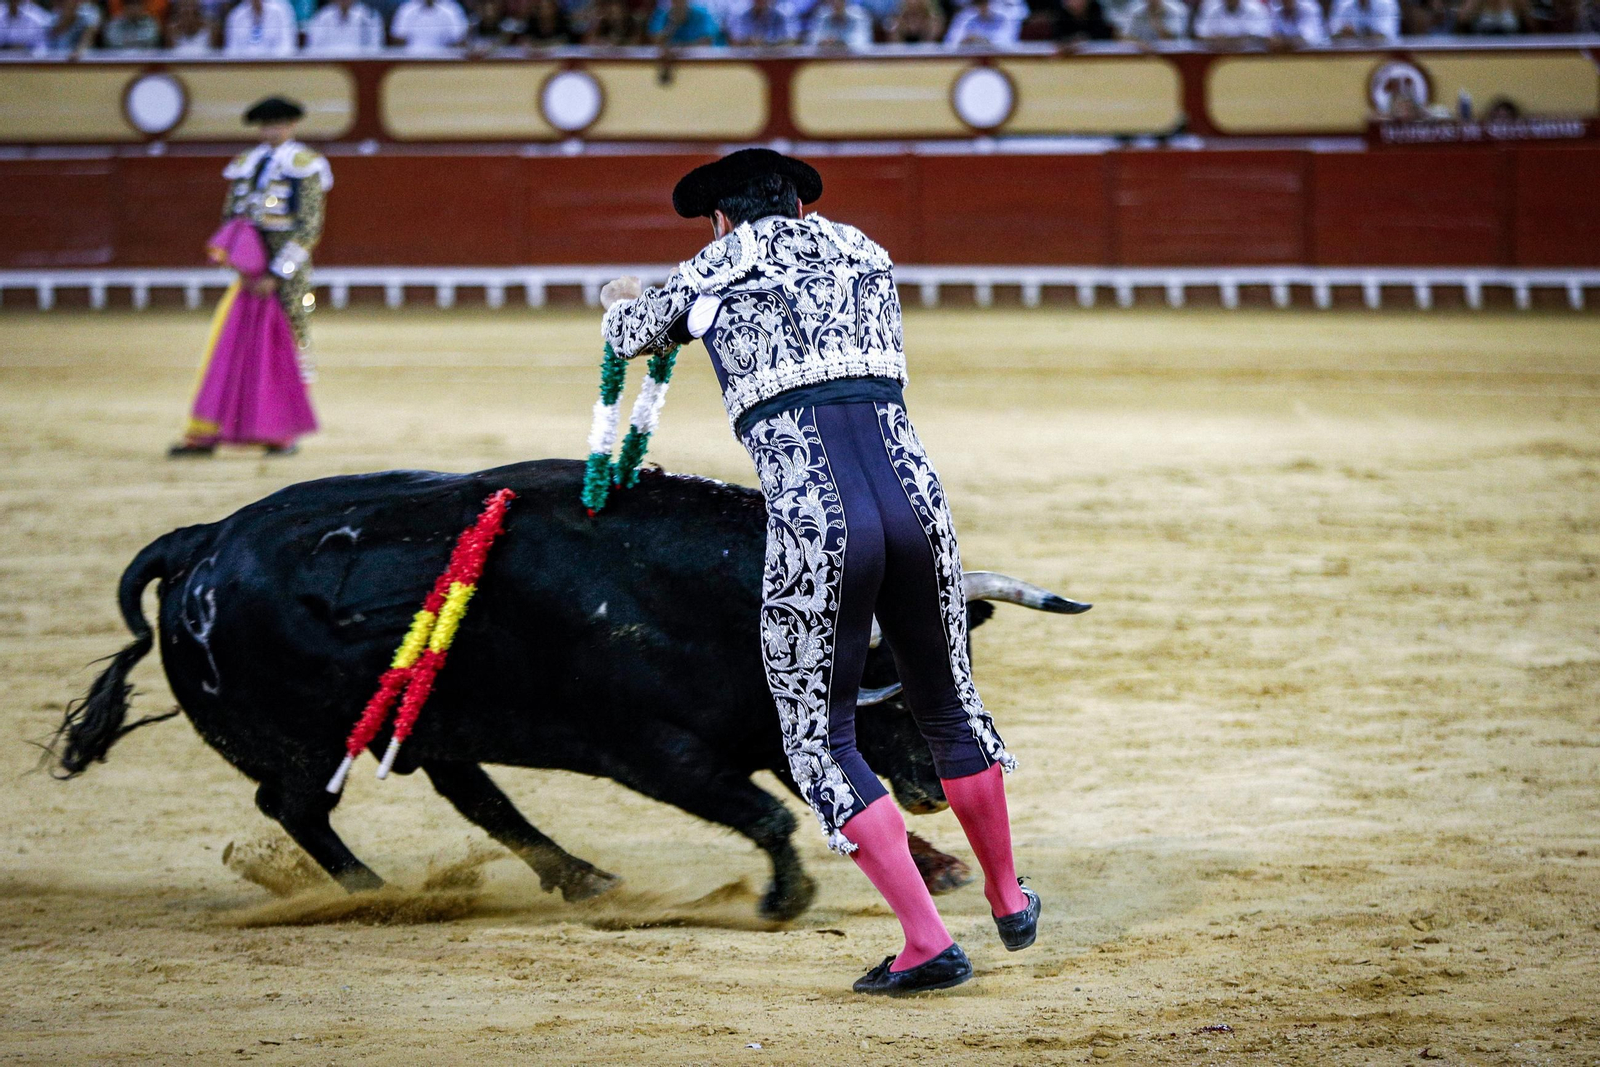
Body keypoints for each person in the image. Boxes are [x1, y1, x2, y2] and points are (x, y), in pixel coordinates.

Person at [598, 150, 1041, 996]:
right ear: (799, 206)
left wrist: (625, 295)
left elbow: (628, 337)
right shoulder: (864, 250)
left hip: (817, 523)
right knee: (948, 704)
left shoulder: (718, 262)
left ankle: (925, 942)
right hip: (919, 506)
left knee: (818, 736)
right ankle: (1009, 894)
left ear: (722, 218)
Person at [171, 97, 328, 458]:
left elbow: (309, 227)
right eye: (266, 125)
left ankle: (282, 434)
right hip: (248, 271)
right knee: (235, 346)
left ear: (291, 126)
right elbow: (232, 219)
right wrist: (242, 264)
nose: (272, 131)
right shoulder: (246, 165)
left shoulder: (304, 165)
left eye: (279, 124)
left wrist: (277, 273)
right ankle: (217, 429)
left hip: (287, 275)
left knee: (287, 347)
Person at [304, 0, 385, 51]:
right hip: (329, 67)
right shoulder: (321, 18)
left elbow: (376, 49)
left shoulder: (369, 16)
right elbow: (312, 49)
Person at [223, 0, 298, 53]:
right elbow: (231, 50)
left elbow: (287, 48)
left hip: (274, 68)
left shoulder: (282, 11)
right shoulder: (236, 16)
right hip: (244, 69)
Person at [391, 0, 470, 50]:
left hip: (443, 58)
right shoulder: (407, 9)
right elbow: (397, 37)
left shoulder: (451, 9)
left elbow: (460, 39)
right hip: (412, 58)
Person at [1192, 0, 1269, 45]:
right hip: (1216, 54)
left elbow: (1264, 35)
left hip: (1249, 56)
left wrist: (1234, 41)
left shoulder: (1256, 8)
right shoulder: (1210, 6)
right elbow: (1198, 34)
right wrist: (1217, 39)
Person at [943, 0, 1022, 43]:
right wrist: (964, 40)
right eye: (979, 2)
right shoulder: (965, 17)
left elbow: (1009, 43)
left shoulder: (1005, 17)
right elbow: (949, 43)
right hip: (968, 61)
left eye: (986, 2)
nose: (983, 6)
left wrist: (982, 41)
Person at [647, 0, 722, 43]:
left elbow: (707, 41)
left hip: (699, 61)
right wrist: (672, 25)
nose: (679, 2)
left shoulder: (702, 14)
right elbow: (655, 41)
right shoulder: (662, 14)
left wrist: (680, 49)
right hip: (670, 60)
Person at [727, 0, 798, 43]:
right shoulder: (742, 15)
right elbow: (734, 40)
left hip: (774, 58)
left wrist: (766, 43)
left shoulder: (779, 16)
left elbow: (791, 41)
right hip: (746, 59)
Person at [807, 0, 872, 45]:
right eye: (833, 1)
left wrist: (841, 42)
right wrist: (822, 41)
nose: (836, 3)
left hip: (854, 61)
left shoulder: (859, 15)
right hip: (827, 59)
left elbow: (864, 42)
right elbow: (811, 40)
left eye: (840, 0)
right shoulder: (822, 15)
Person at [1327, 0, 1398, 39]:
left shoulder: (1386, 4)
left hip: (1384, 54)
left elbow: (1383, 36)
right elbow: (1334, 33)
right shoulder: (1345, 5)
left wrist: (1356, 33)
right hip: (1353, 54)